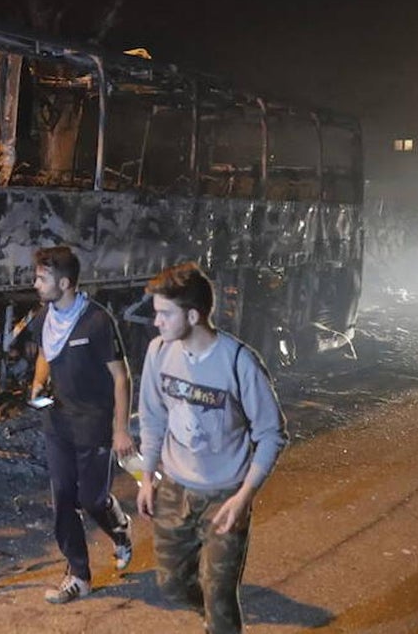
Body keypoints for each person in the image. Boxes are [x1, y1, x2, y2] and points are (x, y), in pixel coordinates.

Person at [136, 262, 288, 634]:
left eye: (165, 314)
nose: (156, 322)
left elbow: (271, 434)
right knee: (171, 586)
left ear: (193, 315)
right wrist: (147, 477)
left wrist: (244, 497)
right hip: (174, 488)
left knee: (219, 593)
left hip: (225, 495)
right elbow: (152, 418)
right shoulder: (159, 352)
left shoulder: (239, 362)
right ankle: (207, 612)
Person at [29, 246, 136, 604]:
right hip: (57, 422)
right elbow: (45, 353)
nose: (36, 284)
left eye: (42, 278)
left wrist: (121, 429)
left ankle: (119, 528)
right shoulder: (44, 319)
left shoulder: (97, 321)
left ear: (64, 283)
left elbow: (121, 377)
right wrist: (38, 382)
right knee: (63, 497)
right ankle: (78, 575)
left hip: (94, 424)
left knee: (91, 499)